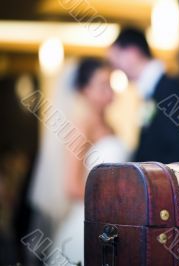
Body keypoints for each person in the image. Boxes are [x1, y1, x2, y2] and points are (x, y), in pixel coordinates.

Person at [44, 58, 127, 264]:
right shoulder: (80, 126)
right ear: (84, 90)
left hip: (112, 222)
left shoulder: (111, 126)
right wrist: (111, 203)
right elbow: (71, 187)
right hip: (89, 220)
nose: (110, 91)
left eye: (111, 83)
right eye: (102, 85)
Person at [108, 28, 179, 163]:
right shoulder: (152, 90)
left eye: (116, 61)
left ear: (132, 52)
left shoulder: (169, 89)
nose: (117, 68)